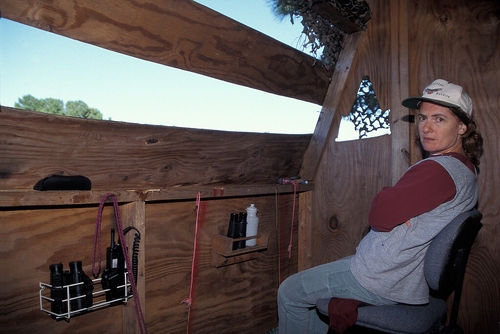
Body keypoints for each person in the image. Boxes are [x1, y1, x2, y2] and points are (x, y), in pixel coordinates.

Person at [277, 79, 483, 334]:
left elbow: (380, 215)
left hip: (383, 276)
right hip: (403, 272)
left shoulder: (437, 170)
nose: (427, 128)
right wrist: (405, 210)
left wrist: (391, 199)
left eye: (439, 119)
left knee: (290, 291)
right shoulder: (467, 170)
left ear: (462, 127)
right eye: (422, 118)